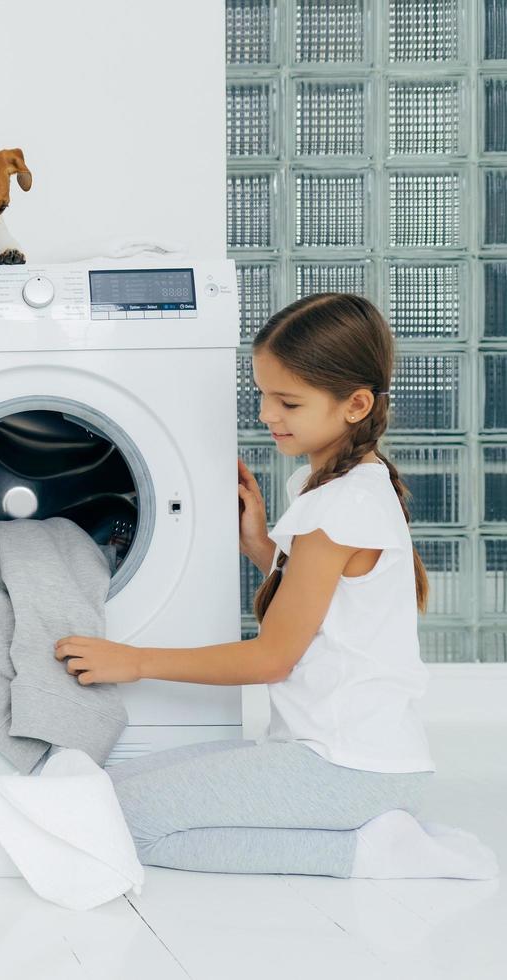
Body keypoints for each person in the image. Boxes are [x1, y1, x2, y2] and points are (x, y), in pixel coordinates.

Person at [54, 293, 497, 879]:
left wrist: (132, 661)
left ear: (355, 405)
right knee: (108, 790)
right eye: (261, 394)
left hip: (347, 768)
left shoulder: (339, 506)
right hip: (343, 759)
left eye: (288, 401)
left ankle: (369, 851)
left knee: (119, 822)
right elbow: (330, 608)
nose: (267, 414)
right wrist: (263, 547)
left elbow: (272, 658)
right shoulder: (341, 489)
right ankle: (374, 834)